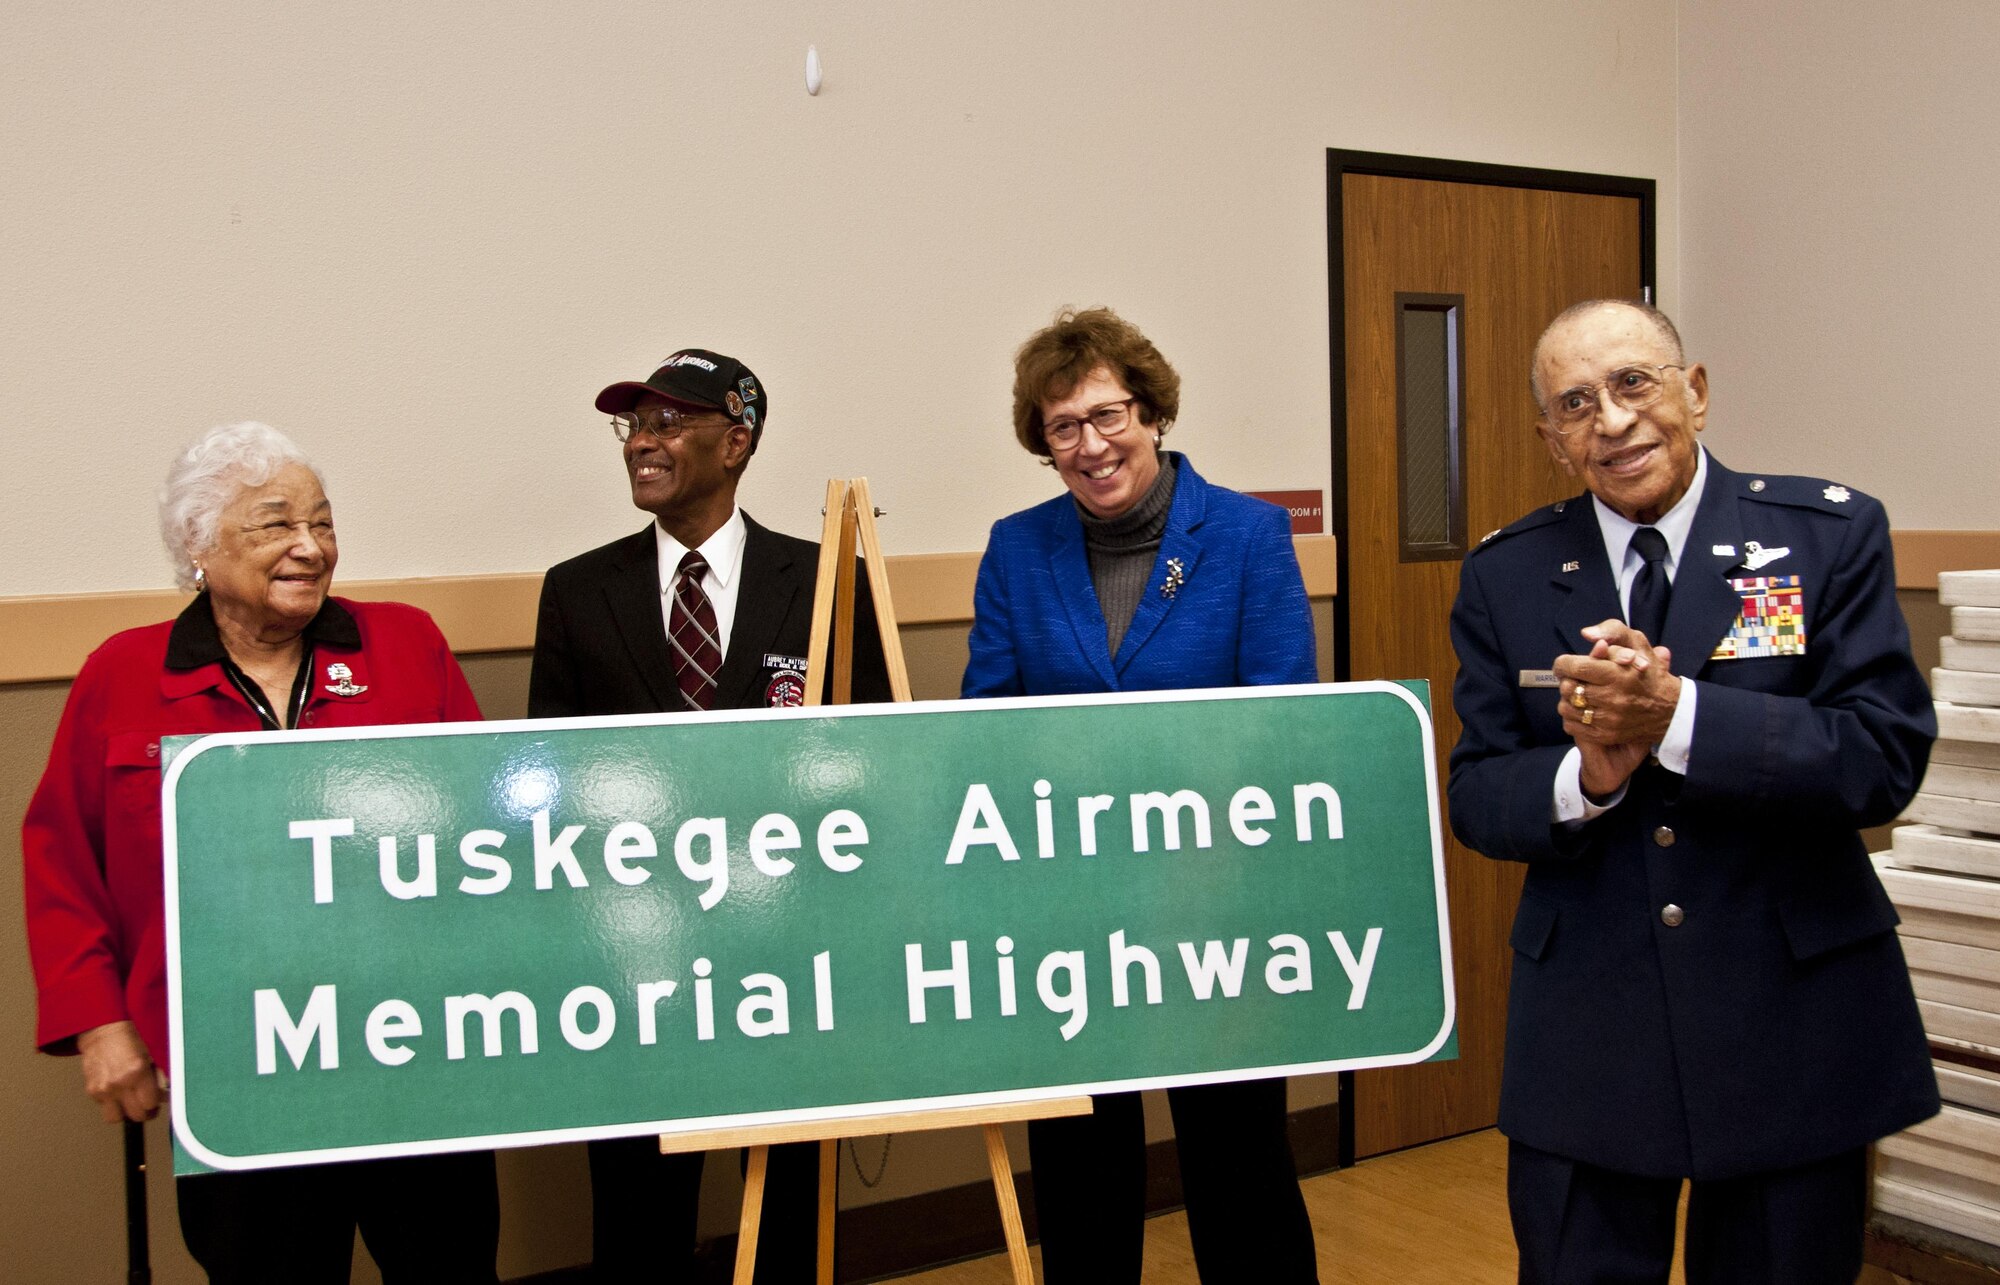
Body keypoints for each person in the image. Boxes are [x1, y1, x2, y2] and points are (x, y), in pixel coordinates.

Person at [1448, 299, 1939, 1283]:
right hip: (1592, 1026)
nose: (1611, 421)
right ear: (1552, 440)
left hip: (1790, 1013)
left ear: (1694, 392)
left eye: (1632, 384)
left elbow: (1880, 758)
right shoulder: (1507, 575)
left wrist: (1673, 718)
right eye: (1575, 404)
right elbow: (1476, 794)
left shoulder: (1820, 538)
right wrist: (1584, 777)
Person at [22, 422, 500, 1283]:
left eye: (322, 522)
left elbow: (485, 835)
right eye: (277, 525)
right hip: (235, 1063)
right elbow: (63, 858)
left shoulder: (406, 646)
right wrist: (100, 1022)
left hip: (417, 1051)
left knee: (449, 1266)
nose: (311, 547)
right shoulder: (122, 675)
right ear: (199, 546)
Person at [961, 307, 1321, 1283]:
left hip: (1219, 910)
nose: (1089, 444)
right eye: (1061, 427)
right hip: (1068, 921)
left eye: (1106, 414)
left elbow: (1282, 727)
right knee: (1080, 1179)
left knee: (1239, 1167)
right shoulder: (1015, 547)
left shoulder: (1246, 535)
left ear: (1151, 411)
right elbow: (985, 727)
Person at [530, 348, 890, 1283]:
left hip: (787, 951)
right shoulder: (578, 590)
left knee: (788, 1200)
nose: (642, 443)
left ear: (737, 442)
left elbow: (879, 766)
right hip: (634, 962)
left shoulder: (823, 580)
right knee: (637, 1207)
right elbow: (552, 780)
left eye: (668, 422)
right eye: (632, 426)